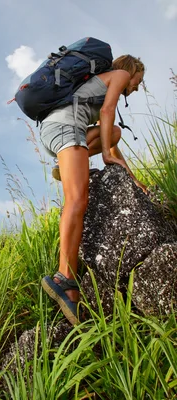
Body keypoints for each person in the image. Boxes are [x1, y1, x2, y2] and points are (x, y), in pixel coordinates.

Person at [39, 55, 147, 325]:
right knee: (77, 199)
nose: (136, 87)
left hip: (56, 128)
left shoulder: (100, 84)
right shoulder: (119, 75)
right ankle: (65, 277)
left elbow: (109, 137)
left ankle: (63, 162)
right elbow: (108, 112)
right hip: (66, 128)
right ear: (130, 71)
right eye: (139, 81)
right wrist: (108, 160)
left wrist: (131, 178)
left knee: (115, 133)